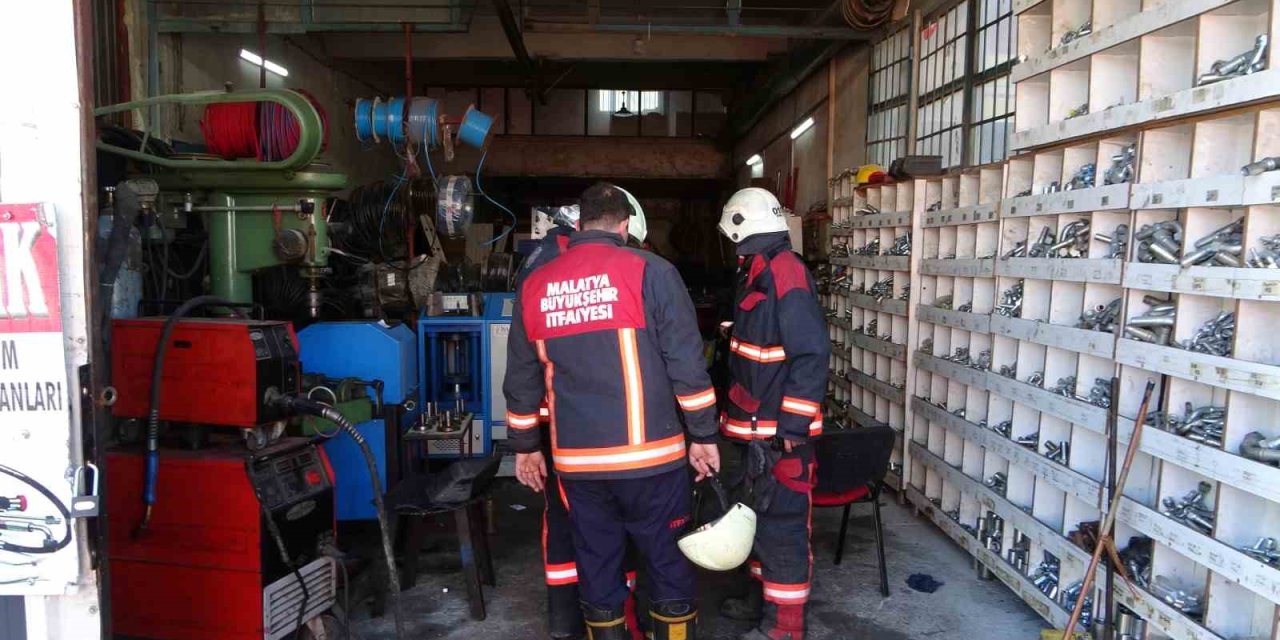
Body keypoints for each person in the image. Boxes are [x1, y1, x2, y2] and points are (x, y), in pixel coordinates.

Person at [505, 182, 720, 640]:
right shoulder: (652, 272)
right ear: (625, 226)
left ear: (578, 225)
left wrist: (525, 448)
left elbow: (521, 378)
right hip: (652, 460)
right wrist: (704, 436)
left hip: (578, 466)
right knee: (666, 564)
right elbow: (686, 364)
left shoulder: (537, 284)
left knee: (597, 567)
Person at [515, 190, 652, 640]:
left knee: (567, 525)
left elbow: (523, 367)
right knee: (603, 528)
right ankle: (604, 620)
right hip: (583, 432)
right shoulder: (597, 271)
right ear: (622, 229)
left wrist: (525, 443)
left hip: (559, 431)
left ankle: (569, 622)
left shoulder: (540, 266)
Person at [715, 187, 830, 640]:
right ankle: (758, 602)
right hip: (755, 431)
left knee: (782, 528)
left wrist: (793, 429)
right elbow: (768, 343)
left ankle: (784, 626)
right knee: (756, 521)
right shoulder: (758, 271)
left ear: (743, 227)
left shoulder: (786, 274)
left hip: (781, 438)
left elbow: (811, 355)